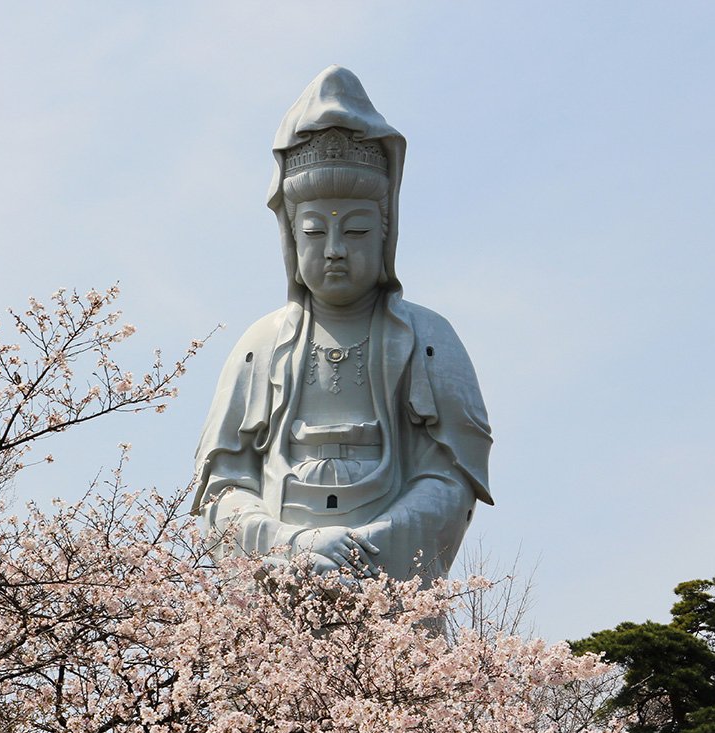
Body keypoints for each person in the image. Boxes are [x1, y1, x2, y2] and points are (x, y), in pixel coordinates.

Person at [193, 66, 492, 582]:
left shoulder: (427, 337)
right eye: (314, 231)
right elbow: (222, 486)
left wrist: (376, 540)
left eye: (355, 230)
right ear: (291, 238)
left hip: (386, 562)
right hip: (284, 568)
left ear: (384, 234)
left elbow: (451, 476)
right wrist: (291, 544)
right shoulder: (261, 344)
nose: (335, 251)